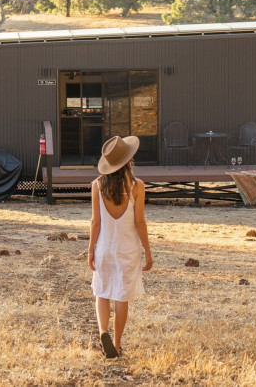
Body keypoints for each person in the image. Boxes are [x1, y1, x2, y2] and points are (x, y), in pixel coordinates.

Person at [88, 135, 153, 358]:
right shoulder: (137, 186)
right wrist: (148, 251)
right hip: (128, 250)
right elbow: (140, 222)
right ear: (128, 161)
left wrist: (90, 250)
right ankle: (115, 344)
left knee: (102, 293)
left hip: (104, 248)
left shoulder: (97, 185)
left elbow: (95, 222)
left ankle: (103, 331)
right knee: (121, 297)